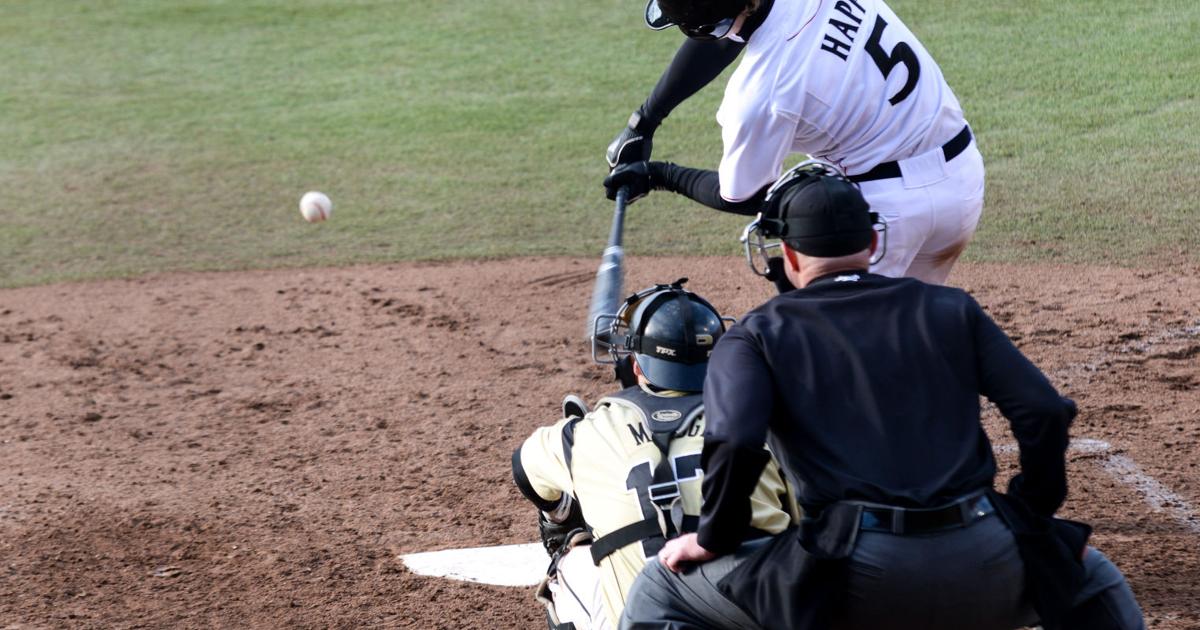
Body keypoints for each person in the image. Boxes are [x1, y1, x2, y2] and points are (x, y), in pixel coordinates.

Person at [619, 163, 1145, 630]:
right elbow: (1044, 411)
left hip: (851, 582)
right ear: (873, 244)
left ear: (789, 255)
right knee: (1093, 577)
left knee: (660, 589)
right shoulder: (951, 308)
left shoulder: (756, 335)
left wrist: (712, 537)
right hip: (986, 559)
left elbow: (735, 442)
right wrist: (1031, 509)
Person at [603, 0, 985, 285]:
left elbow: (742, 195)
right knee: (910, 330)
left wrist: (659, 174)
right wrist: (645, 121)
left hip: (885, 219)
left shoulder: (759, 96)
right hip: (963, 181)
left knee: (842, 361)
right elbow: (737, 25)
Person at [511, 280, 798, 630]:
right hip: (758, 614)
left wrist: (568, 519)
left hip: (646, 618)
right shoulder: (765, 422)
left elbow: (525, 470)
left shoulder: (584, 434)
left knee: (570, 560)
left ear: (636, 366)